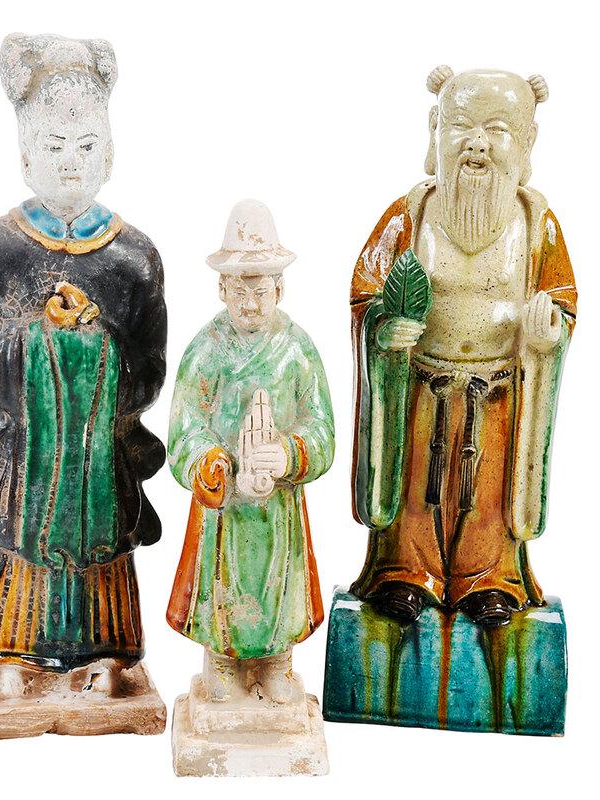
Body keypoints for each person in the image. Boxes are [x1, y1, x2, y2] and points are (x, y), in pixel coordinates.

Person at [0, 34, 166, 692]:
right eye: (54, 146)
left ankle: (103, 658)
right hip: (23, 451)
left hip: (98, 452)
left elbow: (149, 367)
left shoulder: (133, 257)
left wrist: (94, 344)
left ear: (111, 153)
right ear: (24, 156)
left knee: (104, 541)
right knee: (12, 529)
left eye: (87, 146)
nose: (72, 162)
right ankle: (4, 656)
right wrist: (42, 340)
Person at [349, 67, 577, 626]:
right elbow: (367, 288)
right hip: (419, 390)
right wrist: (383, 329)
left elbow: (562, 299)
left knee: (487, 497)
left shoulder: (536, 224)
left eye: (497, 130)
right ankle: (407, 572)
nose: (477, 144)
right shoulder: (410, 215)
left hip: (497, 394)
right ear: (435, 130)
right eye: (461, 126)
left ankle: (489, 578)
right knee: (415, 493)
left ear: (526, 142)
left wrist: (548, 334)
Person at [167, 199, 334, 702]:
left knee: (278, 585)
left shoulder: (297, 351)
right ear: (221, 289)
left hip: (278, 507)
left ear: (280, 289)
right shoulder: (206, 351)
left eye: (260, 291)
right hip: (226, 511)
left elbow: (321, 428)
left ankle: (277, 661)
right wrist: (212, 464)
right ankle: (221, 661)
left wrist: (289, 455)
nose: (250, 304)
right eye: (239, 291)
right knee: (223, 584)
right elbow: (184, 430)